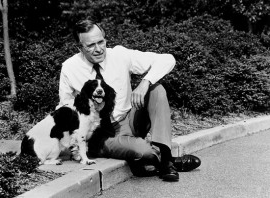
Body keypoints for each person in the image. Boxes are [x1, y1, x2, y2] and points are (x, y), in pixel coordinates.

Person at [57, 19, 201, 182]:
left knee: (157, 90)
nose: (98, 49)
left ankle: (166, 160)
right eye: (91, 45)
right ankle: (153, 160)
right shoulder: (69, 68)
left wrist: (145, 82)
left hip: (130, 119)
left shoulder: (119, 55)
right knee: (145, 152)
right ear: (80, 47)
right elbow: (65, 107)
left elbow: (168, 59)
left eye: (101, 42)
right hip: (102, 134)